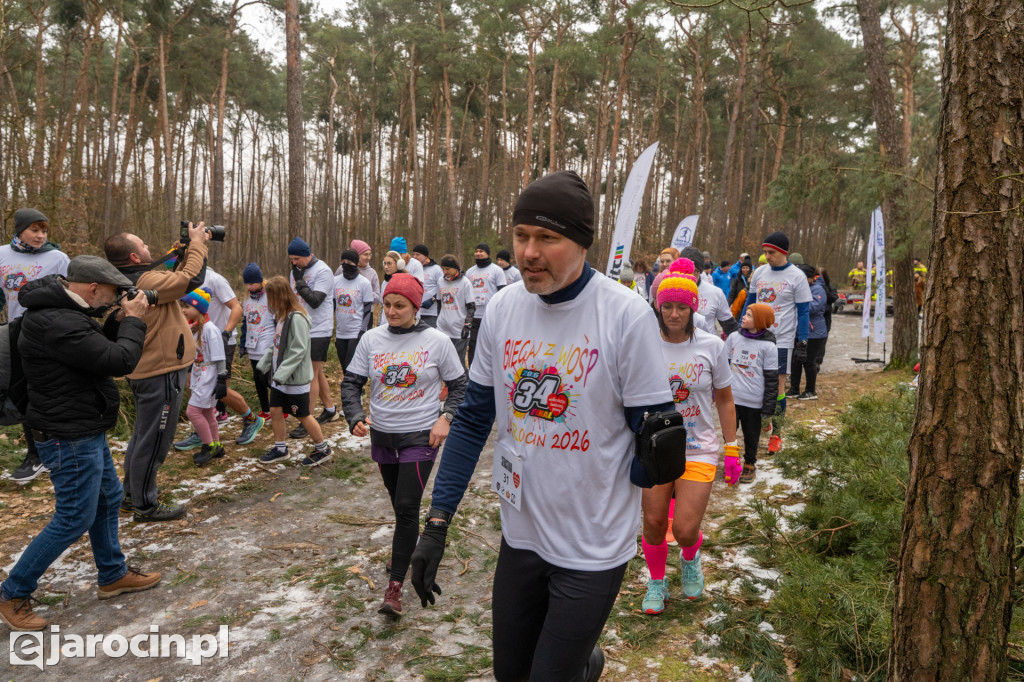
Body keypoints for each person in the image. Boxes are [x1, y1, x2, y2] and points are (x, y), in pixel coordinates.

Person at [409, 170, 674, 681]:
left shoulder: (626, 316)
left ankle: (577, 665)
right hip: (522, 535)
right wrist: (437, 524)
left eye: (547, 238)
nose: (529, 251)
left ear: (580, 242)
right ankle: (585, 665)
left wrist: (644, 469)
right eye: (522, 235)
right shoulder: (504, 309)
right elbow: (471, 424)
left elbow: (658, 442)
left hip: (592, 547)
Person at [0, 256, 160, 632]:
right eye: (112, 295)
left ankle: (112, 574)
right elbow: (118, 360)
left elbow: (88, 351)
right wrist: (135, 321)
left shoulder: (60, 312)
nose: (115, 299)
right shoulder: (57, 321)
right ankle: (12, 592)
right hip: (67, 435)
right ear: (92, 289)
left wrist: (116, 321)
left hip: (82, 426)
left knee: (106, 500)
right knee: (74, 517)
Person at [340, 273, 468, 617]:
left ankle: (394, 589)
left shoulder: (437, 341)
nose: (392, 312)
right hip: (383, 435)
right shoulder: (371, 339)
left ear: (416, 307)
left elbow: (460, 385)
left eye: (400, 306)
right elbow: (351, 382)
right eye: (388, 305)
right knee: (400, 506)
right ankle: (404, 549)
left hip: (420, 436)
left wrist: (446, 417)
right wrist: (354, 416)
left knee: (409, 506)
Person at [640, 258, 738, 615]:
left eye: (682, 306)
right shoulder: (644, 344)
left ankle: (690, 557)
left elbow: (725, 400)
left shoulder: (712, 346)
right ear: (659, 306)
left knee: (683, 529)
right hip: (654, 449)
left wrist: (731, 448)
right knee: (652, 523)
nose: (674, 313)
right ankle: (656, 581)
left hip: (699, 447)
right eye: (668, 306)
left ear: (693, 308)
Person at [104, 224, 209, 521]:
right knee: (155, 441)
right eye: (144, 244)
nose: (149, 246)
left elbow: (178, 278)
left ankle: (130, 496)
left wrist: (188, 250)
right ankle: (145, 505)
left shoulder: (125, 280)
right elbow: (190, 280)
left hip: (146, 369)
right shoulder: (146, 279)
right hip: (160, 371)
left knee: (142, 436)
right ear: (135, 257)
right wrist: (199, 245)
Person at [1, 208, 70, 485]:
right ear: (19, 230)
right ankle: (35, 455)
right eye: (34, 230)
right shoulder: (2, 255)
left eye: (44, 231)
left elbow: (72, 293)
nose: (41, 236)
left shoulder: (58, 258)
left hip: (49, 333)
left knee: (47, 391)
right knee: (22, 393)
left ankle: (56, 450)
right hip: (16, 333)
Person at [743, 231, 812, 453]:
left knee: (779, 387)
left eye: (771, 253)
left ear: (783, 252)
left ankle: (776, 434)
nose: (767, 257)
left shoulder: (797, 276)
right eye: (764, 252)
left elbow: (803, 312)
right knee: (759, 384)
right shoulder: (760, 273)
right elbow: (750, 304)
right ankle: (766, 419)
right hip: (757, 336)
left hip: (781, 340)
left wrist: (803, 341)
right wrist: (741, 329)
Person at [181, 265, 264, 445]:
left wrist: (226, 332)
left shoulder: (214, 279)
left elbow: (236, 307)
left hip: (219, 340)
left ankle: (251, 419)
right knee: (192, 385)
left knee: (220, 391)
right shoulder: (183, 278)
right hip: (197, 342)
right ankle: (201, 432)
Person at [256, 276, 332, 467]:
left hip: (294, 379)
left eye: (270, 297)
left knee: (303, 414)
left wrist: (281, 374)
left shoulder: (297, 318)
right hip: (280, 378)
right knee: (275, 410)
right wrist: (264, 365)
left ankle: (323, 448)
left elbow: (298, 350)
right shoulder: (282, 317)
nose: (268, 302)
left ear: (280, 296)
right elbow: (276, 347)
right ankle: (281, 448)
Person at [287, 236, 338, 437]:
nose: (293, 263)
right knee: (316, 372)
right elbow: (294, 298)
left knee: (310, 373)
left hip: (318, 329)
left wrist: (300, 282)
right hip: (300, 327)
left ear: (306, 255)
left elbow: (316, 300)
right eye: (291, 259)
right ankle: (330, 409)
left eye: (296, 259)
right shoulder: (296, 271)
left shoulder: (323, 271)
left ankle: (306, 418)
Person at [724, 303, 779, 484]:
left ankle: (750, 462)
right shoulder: (733, 338)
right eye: (745, 314)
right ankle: (732, 458)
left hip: (753, 401)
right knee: (729, 432)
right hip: (732, 398)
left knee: (751, 434)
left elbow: (772, 379)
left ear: (760, 321)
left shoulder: (768, 347)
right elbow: (724, 366)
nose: (743, 318)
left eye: (749, 315)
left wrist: (768, 407)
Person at [178, 288, 228, 465]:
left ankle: (208, 445)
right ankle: (217, 445)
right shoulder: (194, 328)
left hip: (209, 374)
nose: (183, 310)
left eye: (187, 307)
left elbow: (219, 356)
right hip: (200, 373)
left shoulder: (210, 329)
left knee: (192, 411)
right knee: (206, 412)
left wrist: (221, 379)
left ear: (199, 309)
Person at [680, 246, 740, 337]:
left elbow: (730, 325)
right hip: (679, 346)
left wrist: (747, 339)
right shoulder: (671, 291)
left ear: (699, 271)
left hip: (706, 347)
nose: (688, 275)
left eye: (693, 271)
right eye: (684, 270)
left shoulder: (715, 293)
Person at [239, 263, 273, 418]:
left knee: (265, 377)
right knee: (257, 380)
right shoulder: (247, 299)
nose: (249, 286)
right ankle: (266, 410)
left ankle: (281, 405)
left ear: (260, 281)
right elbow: (245, 324)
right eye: (247, 283)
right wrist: (242, 343)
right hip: (252, 344)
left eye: (252, 283)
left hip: (267, 342)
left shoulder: (270, 296)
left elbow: (277, 320)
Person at [789, 264, 828, 401]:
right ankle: (794, 388)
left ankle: (811, 390)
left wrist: (795, 303)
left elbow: (813, 307)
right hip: (799, 331)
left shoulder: (818, 289)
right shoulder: (802, 289)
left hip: (815, 332)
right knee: (795, 360)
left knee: (809, 361)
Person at [464, 242, 506, 366]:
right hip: (474, 316)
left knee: (491, 345)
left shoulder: (497, 270)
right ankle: (472, 371)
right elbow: (465, 293)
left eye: (481, 251)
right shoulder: (470, 271)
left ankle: (493, 370)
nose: (478, 253)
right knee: (473, 345)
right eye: (476, 251)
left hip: (490, 315)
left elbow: (502, 292)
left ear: (487, 253)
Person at [334, 249, 374, 373]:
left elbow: (368, 309)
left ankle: (355, 390)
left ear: (356, 264)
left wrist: (362, 330)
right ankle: (351, 390)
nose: (346, 264)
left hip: (355, 331)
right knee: (344, 367)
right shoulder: (335, 281)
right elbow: (332, 305)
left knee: (351, 366)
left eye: (349, 262)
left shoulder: (364, 283)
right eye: (344, 261)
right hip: (341, 331)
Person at [437, 254, 476, 365]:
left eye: (448, 269)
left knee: (458, 364)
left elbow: (471, 306)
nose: (445, 272)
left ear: (456, 268)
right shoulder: (440, 281)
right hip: (442, 328)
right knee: (443, 363)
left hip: (459, 330)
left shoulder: (465, 283)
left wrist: (467, 325)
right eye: (443, 269)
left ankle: (465, 382)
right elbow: (440, 303)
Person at [411, 244, 443, 328]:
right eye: (413, 254)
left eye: (418, 255)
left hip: (431, 312)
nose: (414, 257)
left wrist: (432, 300)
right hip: (416, 311)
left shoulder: (436, 269)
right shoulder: (414, 269)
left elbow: (443, 288)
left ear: (425, 256)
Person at [348, 239, 380, 304]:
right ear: (356, 255)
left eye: (370, 255)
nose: (368, 258)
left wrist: (365, 292)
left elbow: (377, 298)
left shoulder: (372, 273)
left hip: (367, 312)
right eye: (365, 254)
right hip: (347, 311)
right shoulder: (343, 269)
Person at [378, 251, 406, 326]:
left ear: (399, 264)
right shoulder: (384, 282)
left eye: (389, 263)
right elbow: (382, 306)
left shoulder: (405, 282)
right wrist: (379, 324)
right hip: (384, 324)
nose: (386, 267)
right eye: (385, 263)